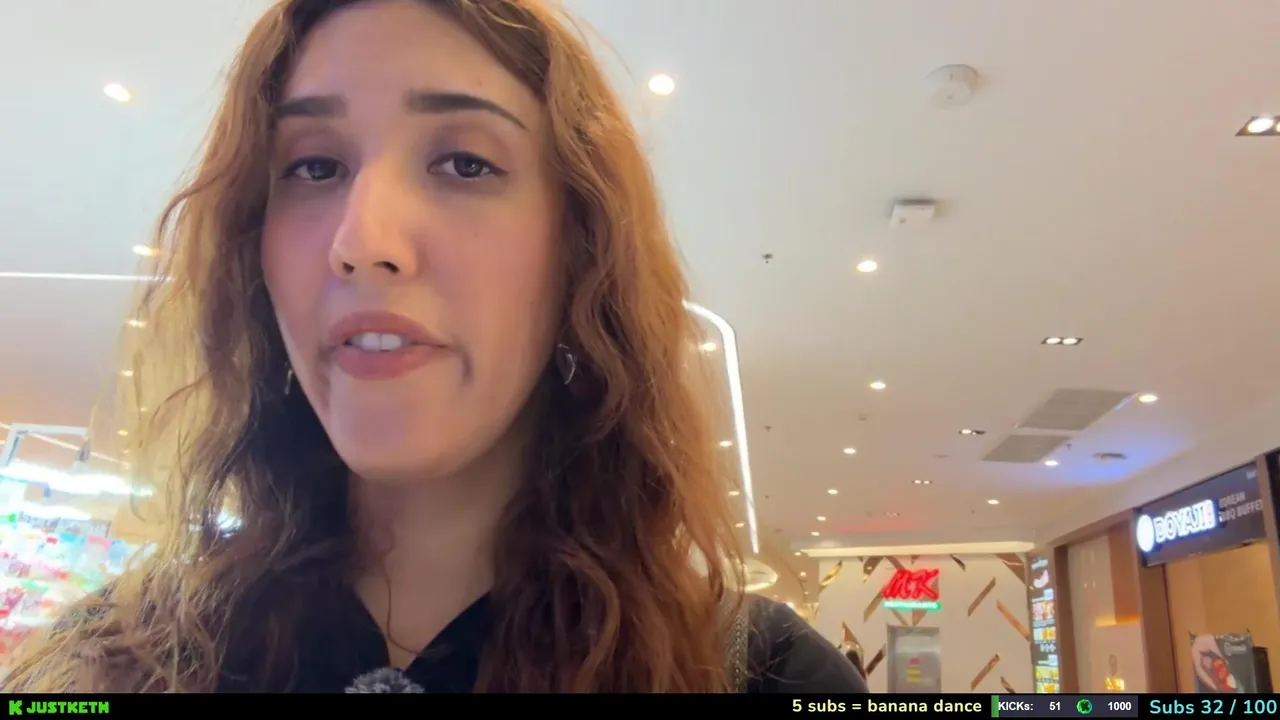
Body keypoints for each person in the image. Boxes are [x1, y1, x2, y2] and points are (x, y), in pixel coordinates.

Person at [4, 0, 867, 694]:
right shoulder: (112, 666)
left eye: (464, 163)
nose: (362, 239)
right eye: (313, 166)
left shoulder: (760, 675)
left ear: (580, 251)